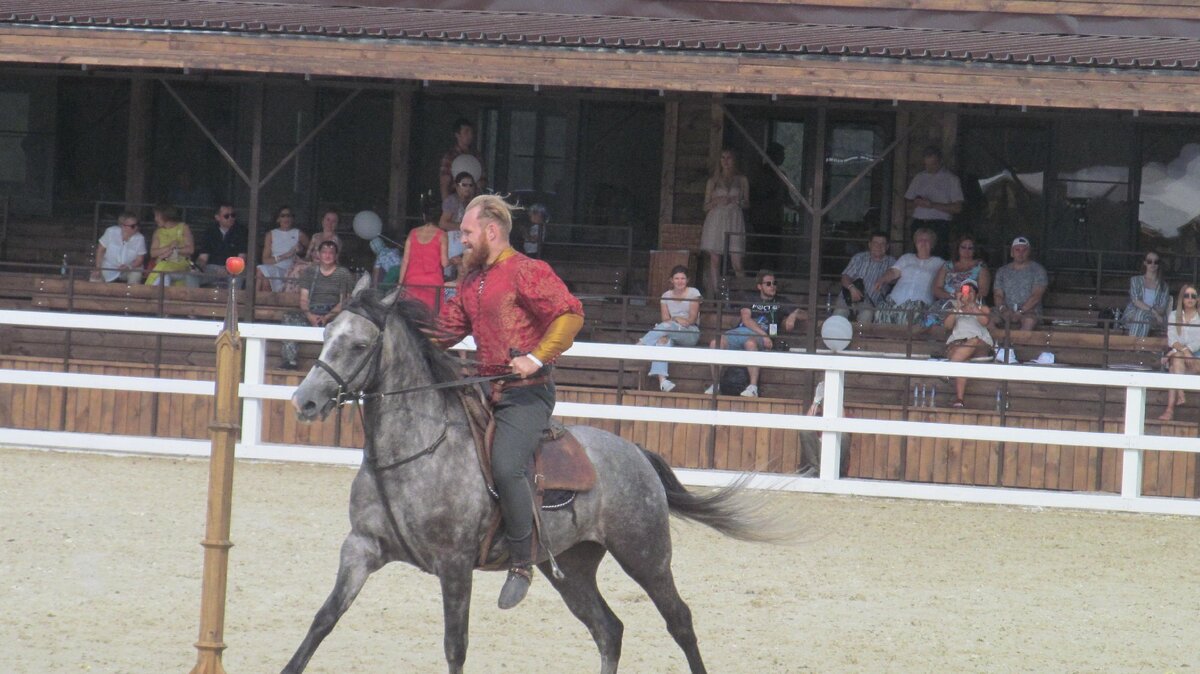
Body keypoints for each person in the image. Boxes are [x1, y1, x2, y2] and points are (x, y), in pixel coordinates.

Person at [436, 194, 584, 610]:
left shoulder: (526, 271)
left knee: (505, 464)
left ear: (491, 231)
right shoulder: (471, 281)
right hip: (485, 387)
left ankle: (522, 562)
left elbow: (570, 314)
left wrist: (535, 357)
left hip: (527, 394)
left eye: (465, 232)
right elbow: (444, 331)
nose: (460, 240)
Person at [704, 270, 804, 398]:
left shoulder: (781, 301)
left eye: (774, 283)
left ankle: (752, 387)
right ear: (759, 286)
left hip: (757, 338)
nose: (772, 286)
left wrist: (793, 314)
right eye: (768, 283)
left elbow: (806, 314)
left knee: (750, 343)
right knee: (715, 343)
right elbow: (746, 319)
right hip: (742, 332)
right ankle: (716, 384)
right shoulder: (749, 299)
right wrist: (764, 335)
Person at [280, 240, 354, 370]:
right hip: (312, 311)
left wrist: (327, 317)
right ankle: (290, 361)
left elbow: (344, 301)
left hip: (334, 314)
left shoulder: (343, 274)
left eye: (331, 253)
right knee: (289, 318)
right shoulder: (310, 272)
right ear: (319, 254)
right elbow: (303, 299)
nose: (327, 255)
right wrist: (309, 315)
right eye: (324, 252)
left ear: (336, 255)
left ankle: (337, 365)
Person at [638, 265, 702, 392]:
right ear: (671, 280)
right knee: (662, 341)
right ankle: (663, 381)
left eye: (683, 278)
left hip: (690, 332)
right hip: (671, 329)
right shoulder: (666, 295)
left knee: (666, 327)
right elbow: (665, 319)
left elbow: (691, 320)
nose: (680, 281)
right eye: (676, 278)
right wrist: (677, 319)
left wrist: (676, 321)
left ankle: (641, 344)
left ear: (687, 280)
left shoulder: (694, 292)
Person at [699, 149, 749, 296]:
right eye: (723, 158)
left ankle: (743, 295)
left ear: (734, 160)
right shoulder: (712, 181)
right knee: (715, 260)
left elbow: (747, 203)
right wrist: (716, 201)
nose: (726, 161)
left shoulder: (741, 180)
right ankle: (717, 295)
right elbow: (705, 206)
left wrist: (736, 200)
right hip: (716, 219)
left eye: (729, 157)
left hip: (734, 218)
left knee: (737, 261)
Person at [873, 228, 944, 325]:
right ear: (915, 243)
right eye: (920, 240)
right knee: (881, 312)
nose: (923, 243)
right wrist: (882, 279)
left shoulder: (939, 262)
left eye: (927, 240)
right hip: (896, 300)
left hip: (921, 303)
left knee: (911, 318)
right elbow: (893, 272)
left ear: (932, 244)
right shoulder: (906, 258)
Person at [943, 279, 994, 408]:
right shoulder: (955, 308)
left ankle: (947, 370)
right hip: (958, 343)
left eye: (971, 292)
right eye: (965, 291)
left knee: (973, 341)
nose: (967, 294)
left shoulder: (983, 308)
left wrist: (972, 306)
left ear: (976, 294)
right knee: (963, 360)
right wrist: (959, 307)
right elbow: (947, 326)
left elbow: (985, 321)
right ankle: (959, 399)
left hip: (979, 343)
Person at [904, 146, 963, 258]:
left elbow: (958, 208)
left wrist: (932, 205)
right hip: (919, 223)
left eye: (933, 164)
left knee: (938, 256)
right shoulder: (919, 177)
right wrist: (917, 203)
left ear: (940, 161)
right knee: (917, 256)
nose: (929, 168)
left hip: (939, 224)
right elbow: (907, 203)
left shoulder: (951, 179)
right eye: (927, 164)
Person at [398, 197, 449, 312]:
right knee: (431, 318)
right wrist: (455, 260)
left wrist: (400, 285)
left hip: (412, 281)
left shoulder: (413, 233)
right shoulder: (442, 235)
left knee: (412, 318)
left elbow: (405, 261)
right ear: (439, 216)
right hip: (433, 284)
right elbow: (445, 263)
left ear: (424, 216)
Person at [928, 233, 990, 327]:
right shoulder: (947, 265)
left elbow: (983, 291)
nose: (966, 250)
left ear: (974, 250)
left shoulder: (980, 266)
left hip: (971, 303)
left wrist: (967, 299)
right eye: (963, 247)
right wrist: (951, 296)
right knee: (931, 317)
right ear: (958, 248)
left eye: (970, 248)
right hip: (947, 301)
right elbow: (937, 288)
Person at [1158, 284, 1200, 421]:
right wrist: (1182, 351)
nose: (1190, 299)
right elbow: (1172, 339)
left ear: (1198, 299)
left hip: (1197, 360)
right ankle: (1179, 394)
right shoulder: (1174, 315)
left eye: (1193, 296)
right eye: (1186, 295)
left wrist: (1184, 350)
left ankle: (1170, 410)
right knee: (1175, 361)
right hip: (1182, 361)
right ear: (1182, 298)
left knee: (1173, 364)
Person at [834, 231, 895, 324]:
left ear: (887, 247)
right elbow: (845, 276)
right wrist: (851, 288)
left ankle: (860, 338)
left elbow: (897, 279)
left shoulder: (892, 262)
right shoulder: (859, 258)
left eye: (882, 244)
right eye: (875, 243)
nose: (878, 246)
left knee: (867, 314)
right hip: (848, 298)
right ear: (870, 245)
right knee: (839, 313)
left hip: (871, 304)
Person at [993, 236, 1048, 331]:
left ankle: (1018, 345)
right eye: (1017, 250)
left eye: (1024, 250)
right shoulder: (1002, 271)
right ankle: (995, 344)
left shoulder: (1038, 270)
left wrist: (1020, 311)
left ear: (1029, 252)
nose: (1020, 253)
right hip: (1005, 310)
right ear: (1012, 252)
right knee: (986, 318)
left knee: (1029, 321)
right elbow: (998, 294)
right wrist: (1003, 309)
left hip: (1030, 311)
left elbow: (1036, 296)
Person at [256, 206, 309, 293]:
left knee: (264, 275)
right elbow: (265, 260)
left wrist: (301, 251)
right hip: (275, 267)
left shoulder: (298, 233)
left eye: (289, 215)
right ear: (278, 219)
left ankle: (256, 301)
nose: (286, 218)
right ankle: (255, 299)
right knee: (262, 273)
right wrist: (285, 255)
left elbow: (310, 250)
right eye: (283, 216)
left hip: (291, 270)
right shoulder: (271, 234)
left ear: (292, 218)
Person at [194, 204, 247, 288]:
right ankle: (193, 300)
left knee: (237, 276)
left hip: (234, 268)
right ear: (217, 217)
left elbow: (241, 258)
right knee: (192, 276)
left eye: (233, 215)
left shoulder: (241, 231)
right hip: (212, 268)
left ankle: (234, 301)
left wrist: (227, 269)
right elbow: (203, 257)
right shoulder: (209, 232)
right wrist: (197, 267)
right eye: (226, 216)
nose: (231, 218)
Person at [144, 204, 196, 287]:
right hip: (163, 262)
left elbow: (190, 249)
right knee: (163, 270)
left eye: (157, 216)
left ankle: (147, 290)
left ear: (165, 216)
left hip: (180, 262)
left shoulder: (183, 227)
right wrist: (169, 247)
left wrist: (174, 250)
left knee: (162, 267)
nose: (155, 219)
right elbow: (153, 253)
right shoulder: (158, 232)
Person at [441, 171, 476, 290]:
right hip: (453, 242)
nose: (468, 188)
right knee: (450, 273)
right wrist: (463, 226)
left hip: (468, 244)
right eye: (464, 185)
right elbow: (443, 223)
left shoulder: (474, 202)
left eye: (470, 185)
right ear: (456, 186)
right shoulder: (452, 201)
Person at [1121, 252, 1170, 337]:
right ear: (1145, 263)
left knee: (1143, 316)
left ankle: (1133, 347)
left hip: (1155, 318)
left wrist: (1153, 313)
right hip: (1134, 314)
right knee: (1141, 314)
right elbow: (1136, 301)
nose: (1153, 264)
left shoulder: (1164, 286)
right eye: (1149, 261)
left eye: (1156, 262)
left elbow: (1162, 309)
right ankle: (1138, 348)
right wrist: (1153, 311)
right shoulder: (1135, 280)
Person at [288, 209, 341, 284]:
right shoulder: (316, 236)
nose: (330, 223)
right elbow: (308, 256)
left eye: (334, 221)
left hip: (325, 268)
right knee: (293, 266)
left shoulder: (336, 240)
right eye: (328, 220)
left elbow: (332, 261)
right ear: (322, 221)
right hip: (311, 265)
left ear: (337, 224)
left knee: (299, 269)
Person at [91, 212, 146, 284]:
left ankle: (130, 294)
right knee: (94, 278)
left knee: (136, 273)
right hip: (109, 267)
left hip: (129, 268)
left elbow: (140, 259)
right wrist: (98, 268)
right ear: (123, 226)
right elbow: (100, 250)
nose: (136, 228)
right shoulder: (111, 232)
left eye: (137, 225)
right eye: (133, 226)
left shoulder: (140, 238)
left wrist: (129, 266)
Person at [439, 118, 485, 199]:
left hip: (473, 201)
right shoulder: (450, 156)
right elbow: (444, 184)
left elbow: (483, 180)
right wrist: (447, 206)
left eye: (471, 132)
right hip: (455, 201)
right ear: (457, 134)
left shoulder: (476, 156)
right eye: (466, 132)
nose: (470, 135)